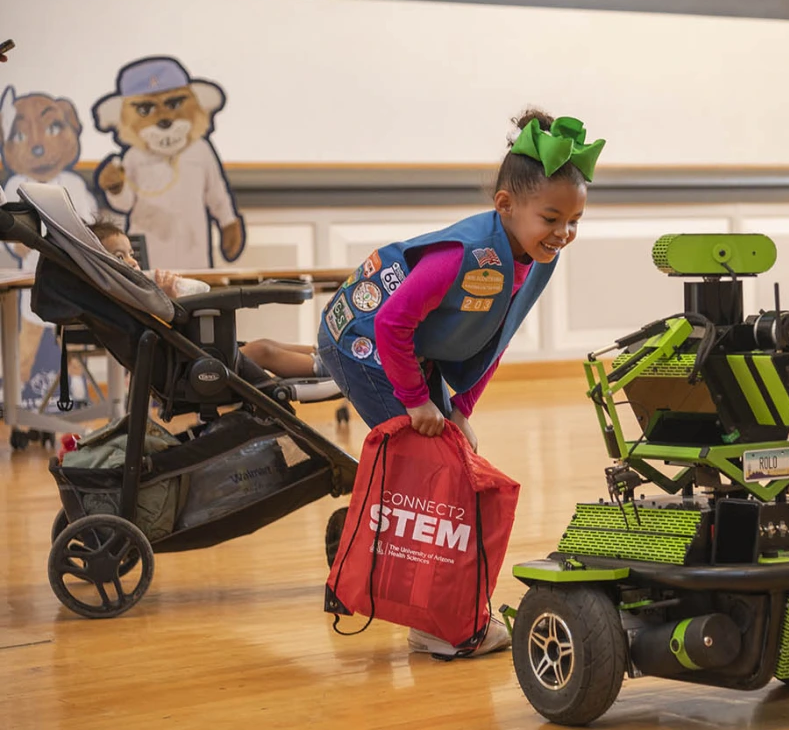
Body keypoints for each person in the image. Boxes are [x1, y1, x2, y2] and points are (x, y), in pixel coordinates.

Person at [317, 108, 604, 658]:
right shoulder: (467, 254)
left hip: (408, 347)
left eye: (574, 221)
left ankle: (438, 614)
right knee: (438, 475)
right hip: (365, 342)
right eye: (552, 218)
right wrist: (417, 402)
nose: (564, 233)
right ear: (505, 206)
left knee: (455, 457)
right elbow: (390, 324)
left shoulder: (534, 256)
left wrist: (461, 408)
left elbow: (495, 337)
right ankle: (436, 626)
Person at [92, 220, 324, 379]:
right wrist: (168, 298)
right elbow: (163, 329)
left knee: (264, 343)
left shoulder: (132, 292)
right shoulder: (126, 298)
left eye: (131, 254)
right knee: (263, 350)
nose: (132, 262)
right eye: (120, 256)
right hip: (185, 367)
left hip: (189, 356)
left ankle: (322, 352)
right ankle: (322, 368)